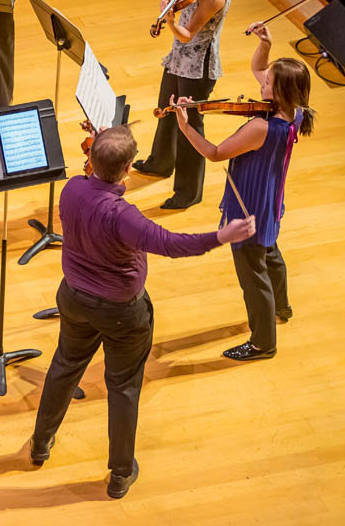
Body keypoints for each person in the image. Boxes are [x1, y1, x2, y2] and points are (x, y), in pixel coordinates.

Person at [29, 125, 256, 499]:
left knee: (64, 366)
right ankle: (120, 473)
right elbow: (170, 243)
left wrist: (104, 147)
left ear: (90, 160)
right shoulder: (124, 216)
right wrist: (221, 236)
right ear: (129, 169)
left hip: (73, 298)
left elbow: (96, 174)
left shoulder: (71, 189)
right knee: (122, 387)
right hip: (121, 313)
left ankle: (40, 443)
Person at [174, 22, 315, 361]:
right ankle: (282, 307)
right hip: (270, 196)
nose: (260, 80)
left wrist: (186, 125)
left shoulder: (259, 127)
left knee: (253, 277)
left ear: (278, 91)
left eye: (267, 81)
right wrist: (265, 44)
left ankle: (263, 343)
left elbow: (215, 153)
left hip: (248, 202)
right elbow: (257, 66)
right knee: (270, 254)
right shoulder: (295, 112)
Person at [133, 0, 235, 209]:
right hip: (179, 58)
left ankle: (189, 191)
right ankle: (161, 162)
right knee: (166, 109)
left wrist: (168, 19)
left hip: (198, 66)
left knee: (189, 123)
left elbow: (188, 34)